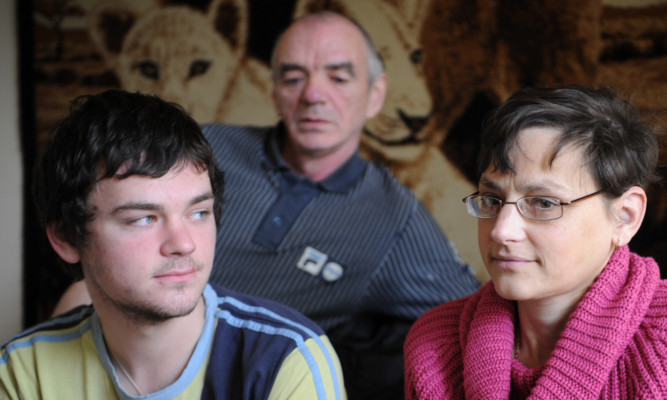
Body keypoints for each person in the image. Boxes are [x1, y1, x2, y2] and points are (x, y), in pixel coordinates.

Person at [53, 11, 481, 399]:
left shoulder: (394, 219)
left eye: (339, 77)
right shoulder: (206, 147)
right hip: (121, 345)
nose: (313, 94)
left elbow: (482, 318)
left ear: (375, 94)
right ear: (273, 91)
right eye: (294, 77)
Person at [1, 90, 345, 399]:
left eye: (198, 213)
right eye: (143, 218)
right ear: (66, 237)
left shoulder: (286, 359)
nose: (183, 244)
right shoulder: (21, 371)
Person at [404, 84, 667, 399]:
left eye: (544, 203)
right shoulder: (433, 345)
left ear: (625, 216)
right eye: (492, 199)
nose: (502, 231)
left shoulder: (660, 348)